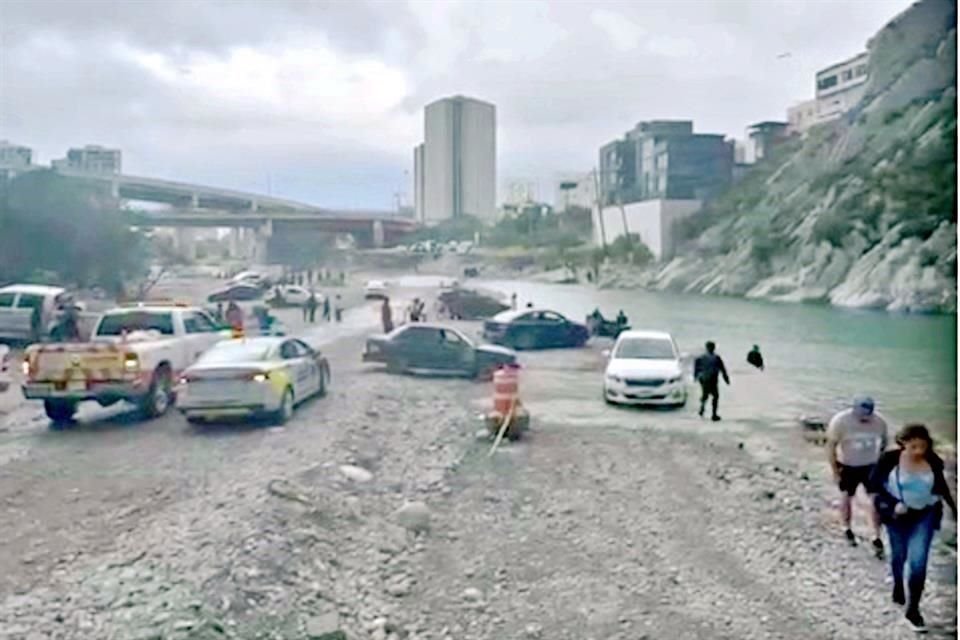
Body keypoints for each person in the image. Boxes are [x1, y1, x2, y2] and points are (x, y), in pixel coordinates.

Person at [868, 424, 957, 632]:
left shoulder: (933, 460)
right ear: (903, 444)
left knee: (918, 562)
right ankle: (898, 584)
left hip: (924, 516)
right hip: (897, 517)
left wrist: (954, 509)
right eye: (914, 447)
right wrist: (892, 504)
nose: (919, 451)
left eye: (923, 446)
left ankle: (913, 609)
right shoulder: (889, 460)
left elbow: (941, 485)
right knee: (898, 556)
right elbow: (874, 486)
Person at [826, 396, 887, 555]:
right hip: (847, 465)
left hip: (870, 466)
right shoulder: (840, 421)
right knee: (847, 496)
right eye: (861, 414)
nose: (864, 418)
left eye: (867, 414)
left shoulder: (879, 422)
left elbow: (884, 443)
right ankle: (846, 528)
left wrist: (881, 464)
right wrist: (834, 470)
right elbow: (831, 446)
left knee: (875, 499)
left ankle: (876, 536)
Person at [693, 341, 729, 422]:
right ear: (713, 348)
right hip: (712, 379)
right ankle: (713, 414)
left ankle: (702, 409)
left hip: (704, 379)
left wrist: (695, 377)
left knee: (705, 395)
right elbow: (722, 369)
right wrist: (726, 379)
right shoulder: (716, 357)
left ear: (706, 347)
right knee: (715, 396)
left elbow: (696, 368)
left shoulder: (701, 357)